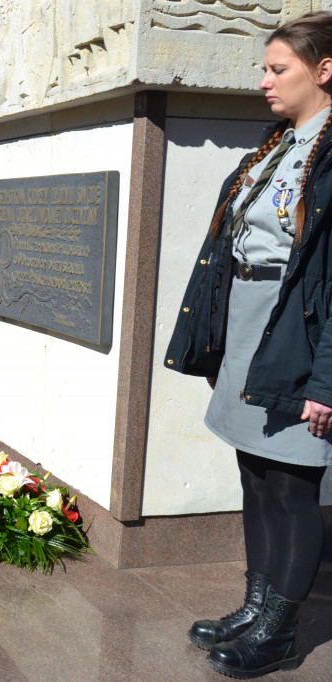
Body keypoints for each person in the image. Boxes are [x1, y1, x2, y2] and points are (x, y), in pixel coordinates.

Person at [165, 11, 332, 678]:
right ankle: (257, 607)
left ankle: (280, 632)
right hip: (251, 329)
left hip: (299, 333)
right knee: (256, 475)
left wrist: (326, 383)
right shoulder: (280, 145)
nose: (264, 81)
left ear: (325, 70)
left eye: (278, 68)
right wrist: (214, 343)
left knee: (290, 486)